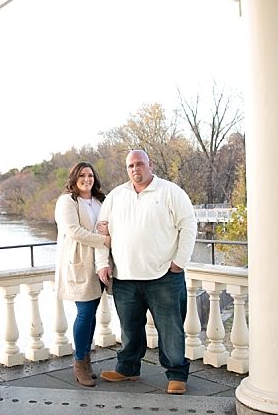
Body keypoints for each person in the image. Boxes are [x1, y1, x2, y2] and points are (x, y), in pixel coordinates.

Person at [94, 150, 196, 394]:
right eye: (130, 165)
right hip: (125, 277)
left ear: (149, 164)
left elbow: (188, 226)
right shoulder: (116, 196)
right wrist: (102, 263)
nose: (134, 169)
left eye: (139, 164)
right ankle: (128, 368)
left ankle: (176, 376)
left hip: (163, 276)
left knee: (170, 330)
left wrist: (179, 262)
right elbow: (101, 232)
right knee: (129, 329)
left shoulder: (171, 192)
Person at [54, 161, 112, 387]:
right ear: (74, 178)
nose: (86, 179)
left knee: (93, 313)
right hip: (78, 261)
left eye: (90, 175)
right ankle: (79, 363)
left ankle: (87, 359)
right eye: (81, 175)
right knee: (85, 312)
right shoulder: (67, 201)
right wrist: (104, 240)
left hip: (98, 263)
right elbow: (73, 231)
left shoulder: (100, 201)